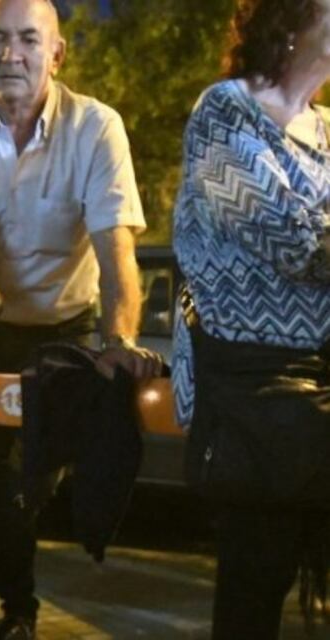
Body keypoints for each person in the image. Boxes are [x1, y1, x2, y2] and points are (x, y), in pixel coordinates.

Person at [0, 1, 162, 637]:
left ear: (56, 54)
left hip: (67, 325)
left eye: (29, 39)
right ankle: (20, 615)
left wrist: (121, 340)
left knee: (37, 476)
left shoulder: (96, 127)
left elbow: (116, 250)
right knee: (4, 478)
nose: (11, 53)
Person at [171, 1, 330, 637]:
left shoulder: (323, 131)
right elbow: (295, 242)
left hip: (315, 383)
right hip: (252, 391)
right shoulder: (224, 111)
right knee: (256, 584)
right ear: (290, 24)